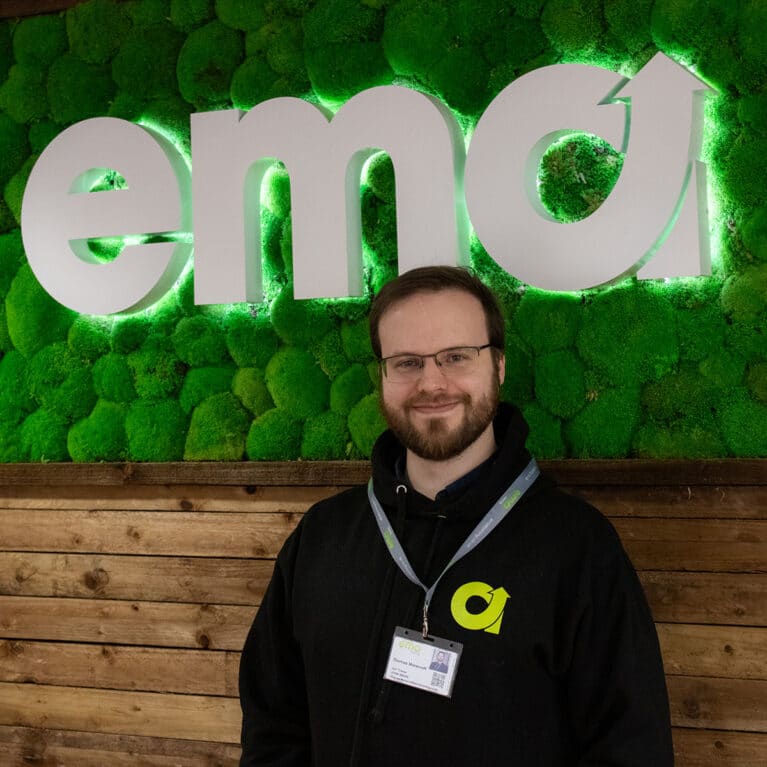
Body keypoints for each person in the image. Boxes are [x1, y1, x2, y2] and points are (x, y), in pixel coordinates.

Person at [238, 266, 674, 766]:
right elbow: (273, 720)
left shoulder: (576, 546)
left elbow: (631, 745)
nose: (432, 382)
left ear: (500, 366)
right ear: (382, 375)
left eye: (456, 357)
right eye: (406, 363)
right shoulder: (323, 537)